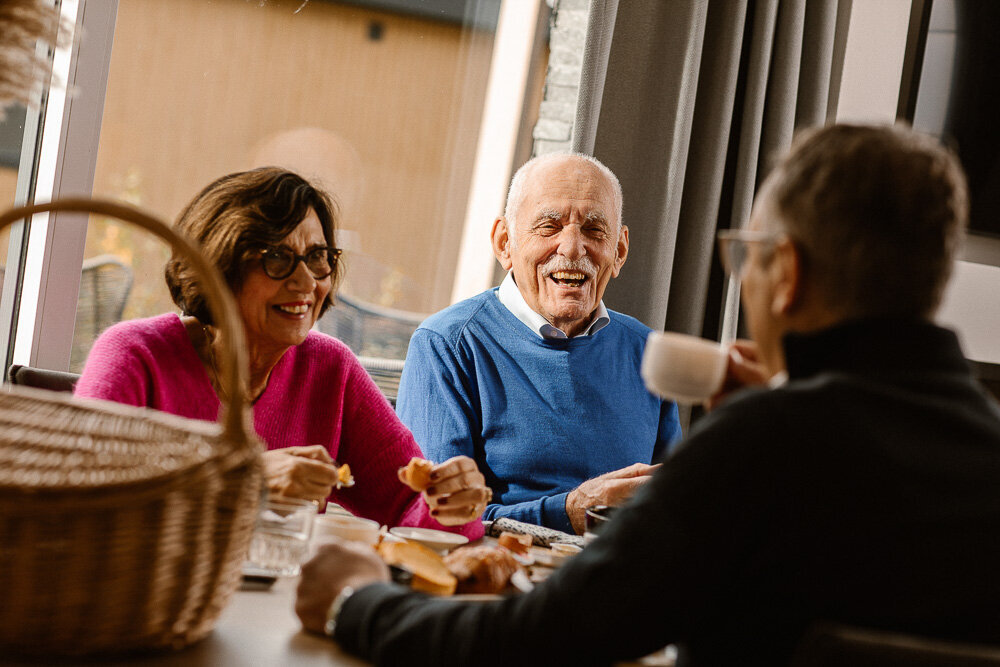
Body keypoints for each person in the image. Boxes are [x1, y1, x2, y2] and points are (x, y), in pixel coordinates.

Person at [295, 124, 1000, 666]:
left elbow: (539, 638)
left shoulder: (763, 443)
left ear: (783, 272)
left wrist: (358, 601)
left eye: (745, 257)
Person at [75, 167, 488, 536]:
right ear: (219, 266)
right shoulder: (134, 354)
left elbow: (407, 506)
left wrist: (451, 504)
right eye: (277, 258)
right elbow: (80, 499)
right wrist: (241, 481)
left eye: (317, 257)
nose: (306, 281)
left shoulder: (330, 368)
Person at [396, 153, 682, 534]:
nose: (572, 248)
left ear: (619, 251)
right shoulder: (447, 345)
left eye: (595, 231)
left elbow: (676, 511)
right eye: (549, 226)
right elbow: (432, 520)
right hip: (497, 579)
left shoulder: (650, 353)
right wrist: (569, 513)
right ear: (504, 243)